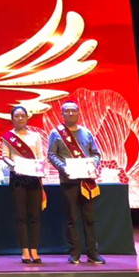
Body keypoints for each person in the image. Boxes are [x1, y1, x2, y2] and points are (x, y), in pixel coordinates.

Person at [48, 101, 105, 265]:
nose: (71, 114)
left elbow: (96, 154)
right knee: (72, 219)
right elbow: (51, 155)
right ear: (62, 114)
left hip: (87, 182)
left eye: (74, 111)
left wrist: (92, 165)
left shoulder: (86, 132)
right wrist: (63, 168)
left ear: (79, 113)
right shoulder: (56, 133)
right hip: (68, 181)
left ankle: (93, 252)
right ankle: (75, 252)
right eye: (67, 111)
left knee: (89, 218)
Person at [0, 105, 46, 264]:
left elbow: (40, 156)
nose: (20, 118)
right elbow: (5, 156)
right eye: (17, 116)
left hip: (33, 178)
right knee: (20, 215)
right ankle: (25, 250)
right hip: (18, 178)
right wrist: (15, 165)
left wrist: (39, 166)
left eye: (22, 116)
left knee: (35, 215)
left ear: (27, 118)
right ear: (12, 119)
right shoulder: (8, 137)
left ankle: (34, 249)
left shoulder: (35, 136)